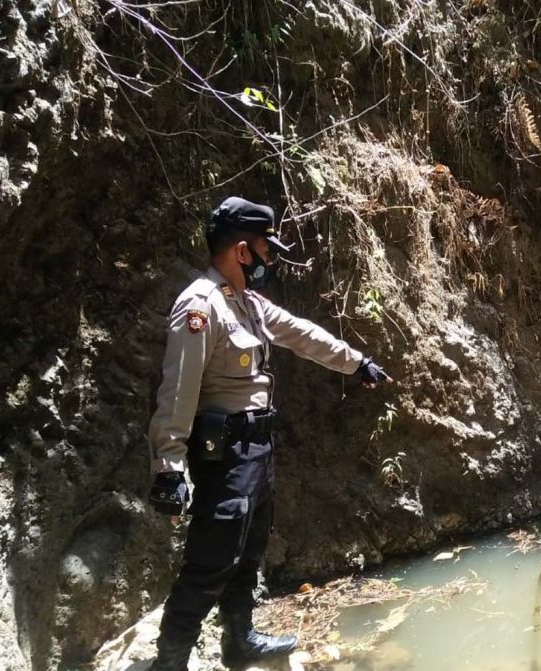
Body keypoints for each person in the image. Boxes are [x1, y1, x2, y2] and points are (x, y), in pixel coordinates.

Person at [147, 196, 391, 670]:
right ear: (242, 251)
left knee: (248, 552)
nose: (270, 259)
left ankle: (240, 641)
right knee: (211, 558)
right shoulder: (201, 307)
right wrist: (169, 467)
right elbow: (177, 392)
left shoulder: (248, 304)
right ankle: (170, 660)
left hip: (257, 446)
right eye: (266, 249)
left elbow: (302, 333)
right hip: (225, 451)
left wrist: (355, 362)